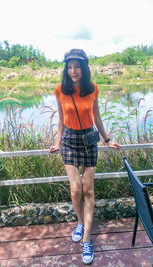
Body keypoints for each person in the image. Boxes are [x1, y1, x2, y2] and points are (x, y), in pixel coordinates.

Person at [49, 48, 120, 265]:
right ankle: (80, 222)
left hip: (89, 140)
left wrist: (107, 139)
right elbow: (61, 120)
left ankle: (87, 239)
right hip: (69, 140)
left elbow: (97, 116)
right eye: (70, 67)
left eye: (77, 66)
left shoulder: (93, 89)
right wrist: (57, 142)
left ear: (84, 68)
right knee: (75, 189)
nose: (73, 71)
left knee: (88, 189)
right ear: (66, 69)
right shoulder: (60, 90)